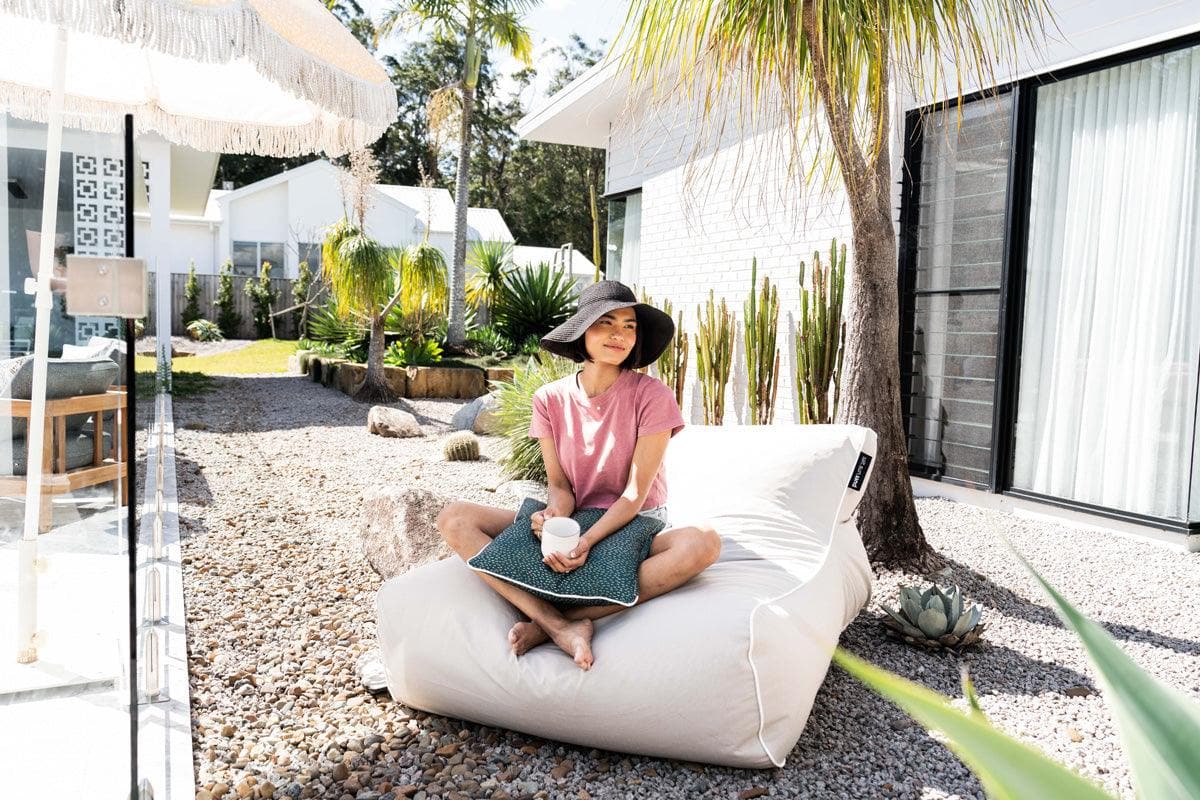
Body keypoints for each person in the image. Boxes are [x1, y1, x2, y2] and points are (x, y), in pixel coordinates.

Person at [436, 281, 722, 670]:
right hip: (574, 519)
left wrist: (585, 542)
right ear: (582, 331)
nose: (620, 334)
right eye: (606, 322)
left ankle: (554, 623)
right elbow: (560, 486)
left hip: (633, 521)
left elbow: (635, 494)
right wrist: (555, 515)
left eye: (629, 325)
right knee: (454, 518)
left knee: (703, 544)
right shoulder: (549, 399)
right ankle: (555, 623)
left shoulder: (652, 395)